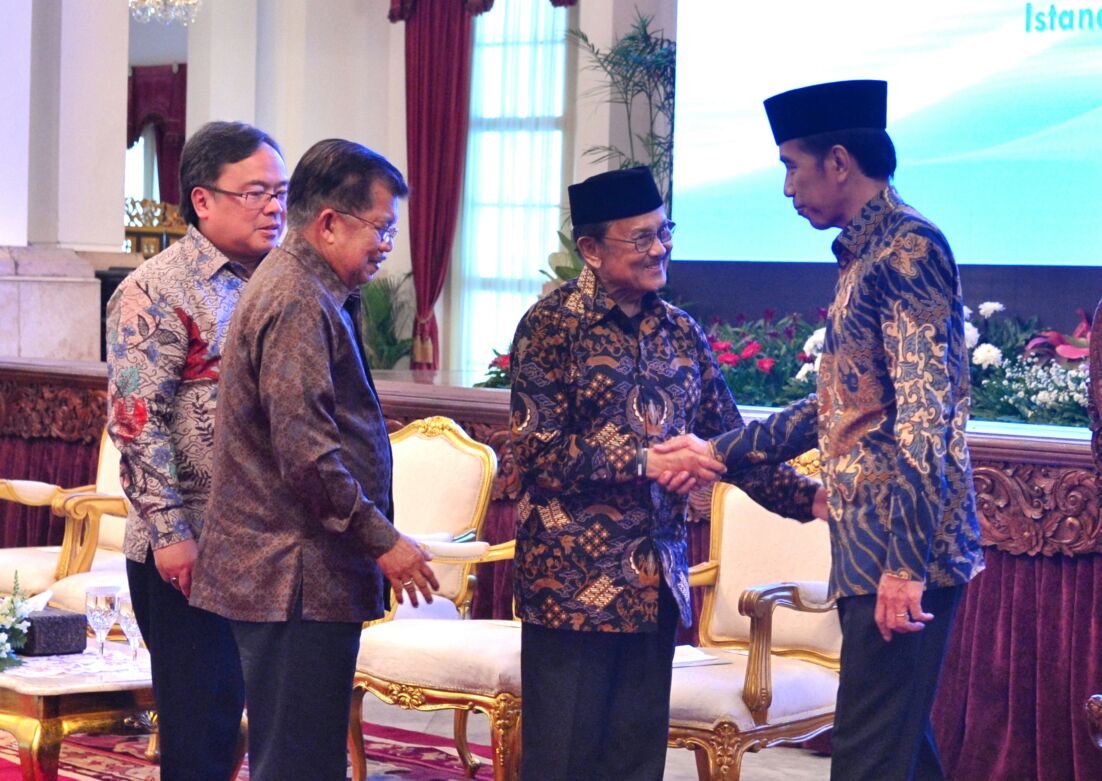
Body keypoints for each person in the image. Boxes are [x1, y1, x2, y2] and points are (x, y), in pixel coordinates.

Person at [658, 80, 984, 780]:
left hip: (903, 547)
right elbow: (838, 407)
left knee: (868, 756)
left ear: (838, 162)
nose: (785, 188)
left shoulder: (908, 252)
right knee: (895, 746)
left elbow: (928, 419)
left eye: (790, 165)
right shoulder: (865, 255)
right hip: (871, 545)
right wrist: (714, 450)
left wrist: (904, 564)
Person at [509, 166, 825, 780]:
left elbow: (730, 445)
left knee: (634, 765)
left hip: (655, 587)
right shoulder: (549, 329)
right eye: (642, 238)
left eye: (665, 232)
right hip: (571, 592)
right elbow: (538, 452)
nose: (660, 249)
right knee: (563, 763)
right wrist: (647, 460)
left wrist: (812, 502)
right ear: (593, 250)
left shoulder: (680, 332)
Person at [188, 139, 438, 781]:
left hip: (300, 576)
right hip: (291, 578)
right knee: (298, 763)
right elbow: (306, 454)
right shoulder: (298, 297)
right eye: (381, 228)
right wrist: (382, 539)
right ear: (328, 223)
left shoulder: (312, 287)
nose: (387, 245)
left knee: (304, 757)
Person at [106, 120, 287, 780]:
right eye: (256, 191)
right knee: (202, 733)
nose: (274, 205)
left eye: (281, 190)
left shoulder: (291, 281)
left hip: (281, 547)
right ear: (203, 200)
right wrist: (171, 535)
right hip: (193, 549)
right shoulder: (157, 288)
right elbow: (135, 420)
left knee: (279, 729)